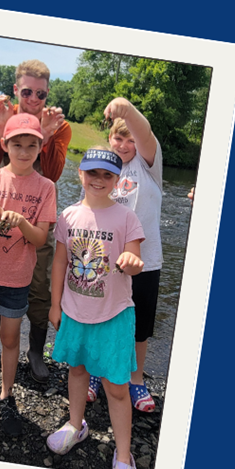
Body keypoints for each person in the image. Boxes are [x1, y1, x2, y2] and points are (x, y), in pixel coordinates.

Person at [47, 148, 145, 469]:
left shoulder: (127, 218)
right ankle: (76, 425)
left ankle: (123, 455)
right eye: (93, 173)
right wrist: (54, 303)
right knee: (76, 371)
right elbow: (59, 261)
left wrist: (132, 262)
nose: (99, 180)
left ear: (117, 181)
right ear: (81, 175)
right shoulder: (68, 216)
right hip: (74, 311)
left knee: (117, 387)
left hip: (114, 315)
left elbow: (133, 255)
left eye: (107, 175)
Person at [0, 114, 56, 438]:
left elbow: (40, 239)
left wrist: (22, 223)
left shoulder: (46, 187)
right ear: (5, 145)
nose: (24, 151)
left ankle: (6, 395)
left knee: (10, 339)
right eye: (17, 144)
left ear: (40, 148)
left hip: (18, 279)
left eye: (32, 145)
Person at [0, 60, 70, 381]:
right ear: (16, 89)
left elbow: (54, 174)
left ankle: (34, 350)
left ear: (47, 94)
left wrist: (45, 135)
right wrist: (1, 127)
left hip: (37, 215)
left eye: (40, 94)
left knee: (40, 286)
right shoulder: (0, 115)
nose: (33, 99)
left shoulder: (61, 125)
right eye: (27, 91)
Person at [95, 97, 164, 412]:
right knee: (101, 318)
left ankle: (136, 380)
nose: (123, 144)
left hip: (146, 261)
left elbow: (145, 132)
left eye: (129, 139)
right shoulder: (104, 168)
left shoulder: (148, 165)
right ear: (109, 139)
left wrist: (125, 109)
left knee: (140, 326)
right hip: (106, 263)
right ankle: (97, 372)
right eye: (117, 138)